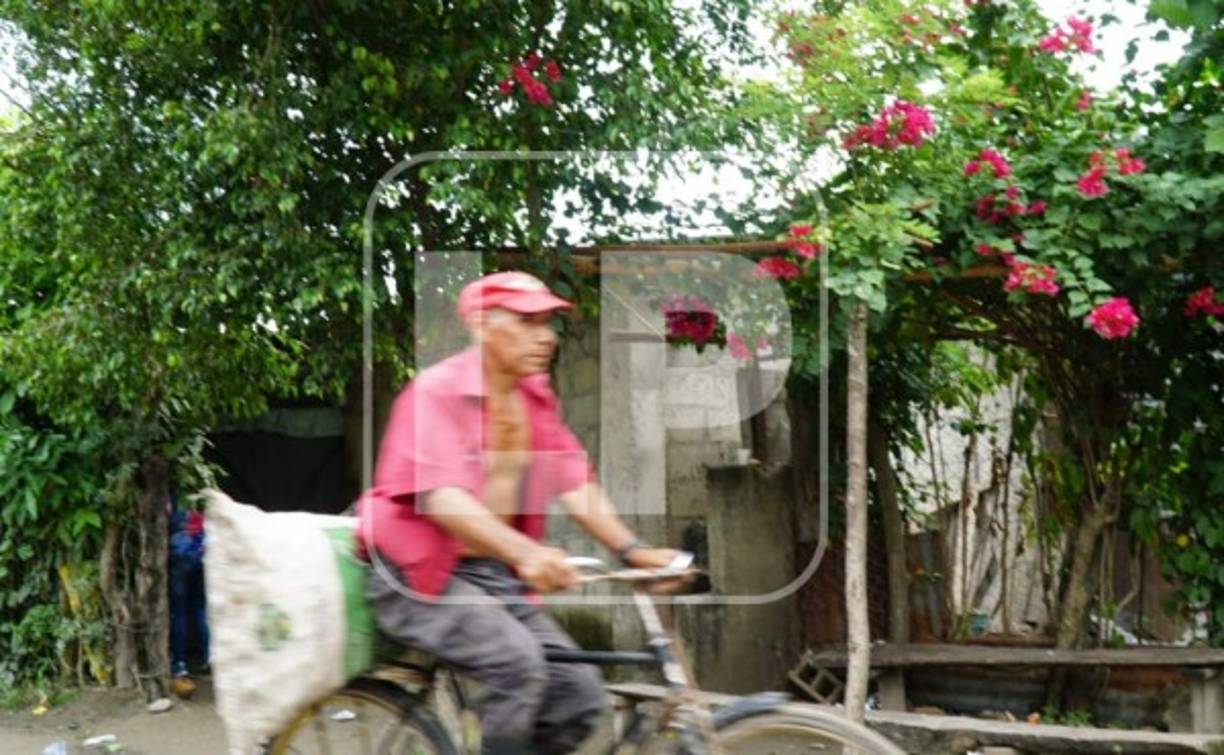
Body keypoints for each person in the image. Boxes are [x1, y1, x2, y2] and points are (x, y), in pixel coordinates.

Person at [355, 271, 685, 754]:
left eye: (548, 322)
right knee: (516, 665)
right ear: (484, 325)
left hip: (489, 574)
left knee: (578, 694)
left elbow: (574, 482)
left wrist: (633, 551)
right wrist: (527, 553)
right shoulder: (435, 392)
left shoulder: (534, 399)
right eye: (528, 321)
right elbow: (444, 499)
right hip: (416, 574)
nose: (546, 336)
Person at [168, 500, 209, 679]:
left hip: (179, 560)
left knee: (179, 612)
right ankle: (208, 658)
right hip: (199, 557)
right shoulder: (197, 509)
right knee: (201, 610)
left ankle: (179, 663)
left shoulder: (169, 504)